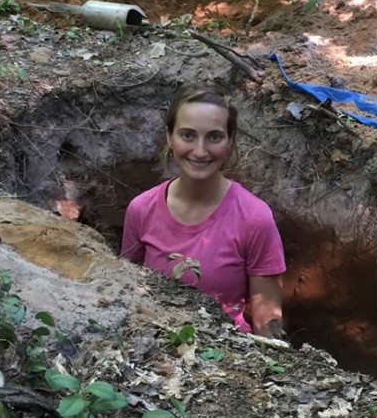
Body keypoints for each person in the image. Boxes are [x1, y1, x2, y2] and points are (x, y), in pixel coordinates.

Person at [121, 86, 286, 337]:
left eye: (214, 137)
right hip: (154, 348)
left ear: (230, 141)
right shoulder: (141, 209)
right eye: (187, 135)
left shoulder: (254, 218)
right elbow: (125, 290)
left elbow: (267, 325)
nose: (200, 151)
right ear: (169, 137)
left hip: (227, 355)